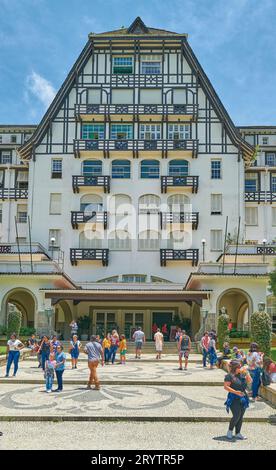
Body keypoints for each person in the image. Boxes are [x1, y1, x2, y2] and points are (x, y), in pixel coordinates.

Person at [224, 360, 252, 440]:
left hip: (243, 397)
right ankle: (230, 431)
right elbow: (226, 387)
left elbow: (250, 381)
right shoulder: (229, 376)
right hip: (233, 397)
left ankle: (238, 433)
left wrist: (247, 373)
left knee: (241, 416)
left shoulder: (242, 374)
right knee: (237, 415)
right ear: (235, 368)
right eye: (239, 366)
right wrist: (235, 392)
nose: (241, 367)